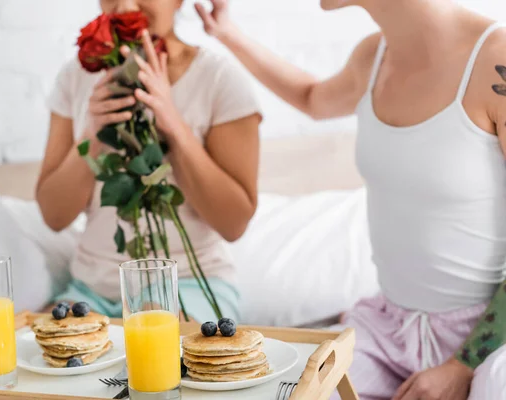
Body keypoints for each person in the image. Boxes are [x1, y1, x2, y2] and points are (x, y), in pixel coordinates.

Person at [196, 0, 506, 398]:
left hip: (490, 336)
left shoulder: (495, 61)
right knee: (294, 389)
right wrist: (228, 34)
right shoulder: (372, 57)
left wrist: (461, 366)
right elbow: (312, 97)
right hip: (391, 330)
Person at [36, 0, 261, 323]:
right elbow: (54, 216)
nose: (125, 5)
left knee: (159, 353)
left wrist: (173, 123)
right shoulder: (74, 78)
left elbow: (234, 223)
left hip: (189, 285)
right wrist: (93, 136)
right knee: (40, 356)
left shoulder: (219, 79)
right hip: (92, 293)